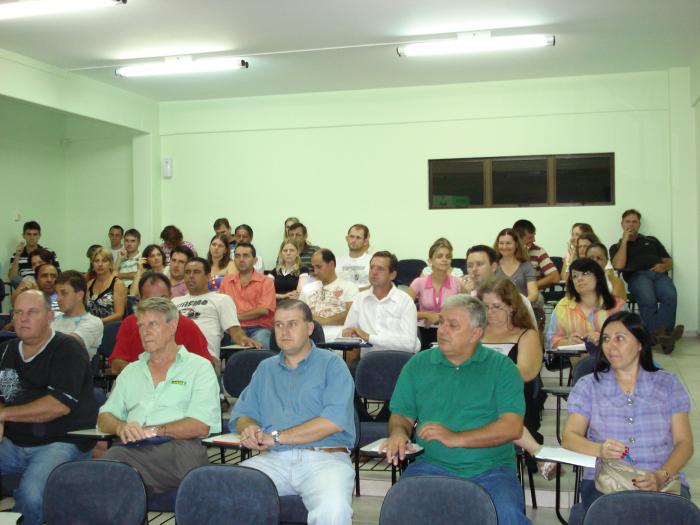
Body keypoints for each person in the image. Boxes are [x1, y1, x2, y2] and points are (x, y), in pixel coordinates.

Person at [385, 294, 530, 525]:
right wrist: (398, 433)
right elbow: (402, 415)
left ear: (476, 333)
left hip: (491, 470)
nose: (442, 330)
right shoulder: (418, 364)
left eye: (452, 325)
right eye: (441, 322)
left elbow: (512, 427)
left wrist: (456, 438)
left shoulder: (502, 368)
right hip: (431, 466)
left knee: (506, 517)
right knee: (400, 509)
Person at [231, 299, 355, 525]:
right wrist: (248, 428)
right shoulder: (265, 369)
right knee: (222, 491)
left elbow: (333, 422)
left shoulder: (333, 365)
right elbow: (242, 414)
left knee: (333, 510)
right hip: (273, 460)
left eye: (292, 324)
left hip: (324, 459)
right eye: (278, 325)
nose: (284, 331)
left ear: (309, 328)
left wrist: (276, 437)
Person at [562, 311, 693, 524]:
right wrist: (600, 450)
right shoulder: (588, 385)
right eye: (606, 339)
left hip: (662, 477)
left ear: (640, 343)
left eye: (620, 338)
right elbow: (569, 437)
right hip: (606, 481)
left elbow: (684, 443)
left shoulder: (668, 384)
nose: (611, 346)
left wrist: (660, 476)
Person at [98, 297, 220, 493]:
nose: (144, 332)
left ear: (172, 326)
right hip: (133, 448)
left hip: (179, 450)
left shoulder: (198, 367)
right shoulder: (131, 371)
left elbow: (200, 425)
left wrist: (153, 430)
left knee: (111, 470)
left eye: (152, 324)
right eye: (141, 326)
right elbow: (104, 417)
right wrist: (121, 427)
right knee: (110, 471)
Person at [0, 290, 98, 525]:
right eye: (18, 312)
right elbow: (3, 394)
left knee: (32, 496)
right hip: (12, 442)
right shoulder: (6, 350)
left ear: (49, 316)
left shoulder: (68, 350)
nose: (23, 318)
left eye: (32, 312)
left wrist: (3, 414)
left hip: (60, 442)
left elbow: (57, 406)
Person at [477, 277, 547, 477]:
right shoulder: (475, 333)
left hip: (515, 399)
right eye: (485, 306)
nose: (490, 312)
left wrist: (480, 374)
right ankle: (536, 450)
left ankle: (534, 450)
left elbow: (524, 373)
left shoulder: (527, 335)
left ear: (512, 306)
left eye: (497, 307)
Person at [109, 272, 211, 375]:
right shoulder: (130, 324)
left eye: (162, 299)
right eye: (149, 300)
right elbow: (117, 364)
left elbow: (205, 366)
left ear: (171, 297)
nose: (156, 306)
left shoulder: (187, 326)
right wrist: (145, 377)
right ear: (139, 300)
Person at [609, 209, 682, 351]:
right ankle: (663, 335)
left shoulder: (651, 240)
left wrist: (664, 266)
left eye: (634, 221)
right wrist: (624, 241)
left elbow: (669, 261)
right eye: (628, 222)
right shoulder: (616, 246)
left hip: (659, 274)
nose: (631, 225)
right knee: (648, 299)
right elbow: (618, 265)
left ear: (639, 224)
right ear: (622, 224)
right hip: (637, 276)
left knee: (670, 295)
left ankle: (659, 334)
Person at [173, 258, 261, 364]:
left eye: (196, 272)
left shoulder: (221, 299)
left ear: (208, 276)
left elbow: (235, 330)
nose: (191, 276)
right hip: (172, 356)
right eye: (187, 272)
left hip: (203, 358)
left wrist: (243, 339)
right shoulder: (174, 302)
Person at [342, 251, 420, 361]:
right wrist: (348, 333)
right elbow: (347, 332)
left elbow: (410, 344)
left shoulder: (405, 301)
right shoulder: (360, 299)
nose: (374, 272)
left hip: (399, 363)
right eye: (372, 267)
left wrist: (369, 337)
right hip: (368, 364)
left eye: (380, 269)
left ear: (392, 275)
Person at [546, 258, 627, 354]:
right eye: (575, 276)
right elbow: (549, 341)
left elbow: (631, 337)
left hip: (614, 363)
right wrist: (567, 342)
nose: (579, 279)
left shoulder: (617, 305)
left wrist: (605, 338)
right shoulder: (563, 307)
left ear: (597, 276)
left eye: (585, 274)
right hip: (578, 364)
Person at [408, 238, 466, 349]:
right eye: (439, 256)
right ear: (430, 261)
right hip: (424, 331)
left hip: (452, 332)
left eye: (448, 257)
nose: (444, 259)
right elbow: (402, 311)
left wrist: (441, 318)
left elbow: (467, 312)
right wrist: (426, 315)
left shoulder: (458, 283)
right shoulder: (418, 282)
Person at [463, 245, 537, 326]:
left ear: (493, 267)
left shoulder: (516, 298)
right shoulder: (465, 298)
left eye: (479, 264)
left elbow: (531, 333)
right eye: (469, 265)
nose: (474, 269)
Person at [219, 243, 275, 349]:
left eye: (245, 256)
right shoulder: (226, 281)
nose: (241, 259)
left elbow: (263, 310)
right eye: (237, 256)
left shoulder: (266, 281)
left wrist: (234, 316)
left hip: (259, 328)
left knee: (262, 342)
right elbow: (221, 309)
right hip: (233, 329)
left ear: (255, 260)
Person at [299, 249, 359, 340]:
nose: (315, 272)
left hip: (338, 337)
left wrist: (322, 320)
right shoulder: (307, 289)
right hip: (310, 337)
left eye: (319, 267)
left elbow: (350, 315)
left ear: (331, 265)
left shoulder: (349, 287)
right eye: (313, 267)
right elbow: (299, 314)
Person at [52, 270, 103, 359]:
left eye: (64, 293)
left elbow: (68, 346)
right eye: (57, 293)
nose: (58, 299)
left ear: (80, 295)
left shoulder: (93, 322)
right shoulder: (54, 318)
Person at [7, 221, 59, 288]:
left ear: (39, 235)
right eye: (29, 234)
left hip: (46, 286)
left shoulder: (48, 252)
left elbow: (58, 274)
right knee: (17, 279)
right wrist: (17, 255)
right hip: (26, 288)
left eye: (35, 234)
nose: (32, 237)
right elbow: (12, 277)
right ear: (23, 235)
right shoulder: (16, 255)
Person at [494, 229, 539, 303]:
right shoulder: (493, 265)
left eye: (508, 243)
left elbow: (533, 295)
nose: (504, 247)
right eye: (501, 243)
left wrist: (518, 305)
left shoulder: (526, 266)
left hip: (521, 309)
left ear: (516, 245)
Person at [86, 247, 127, 324]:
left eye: (104, 261)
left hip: (109, 328)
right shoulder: (89, 284)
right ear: (92, 264)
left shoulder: (118, 284)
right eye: (96, 261)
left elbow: (119, 315)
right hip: (90, 328)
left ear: (110, 264)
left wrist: (97, 322)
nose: (100, 264)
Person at [336, 224, 372, 290]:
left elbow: (375, 286)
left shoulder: (372, 261)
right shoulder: (337, 261)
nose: (354, 240)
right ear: (347, 239)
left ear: (365, 241)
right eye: (351, 237)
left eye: (358, 238)